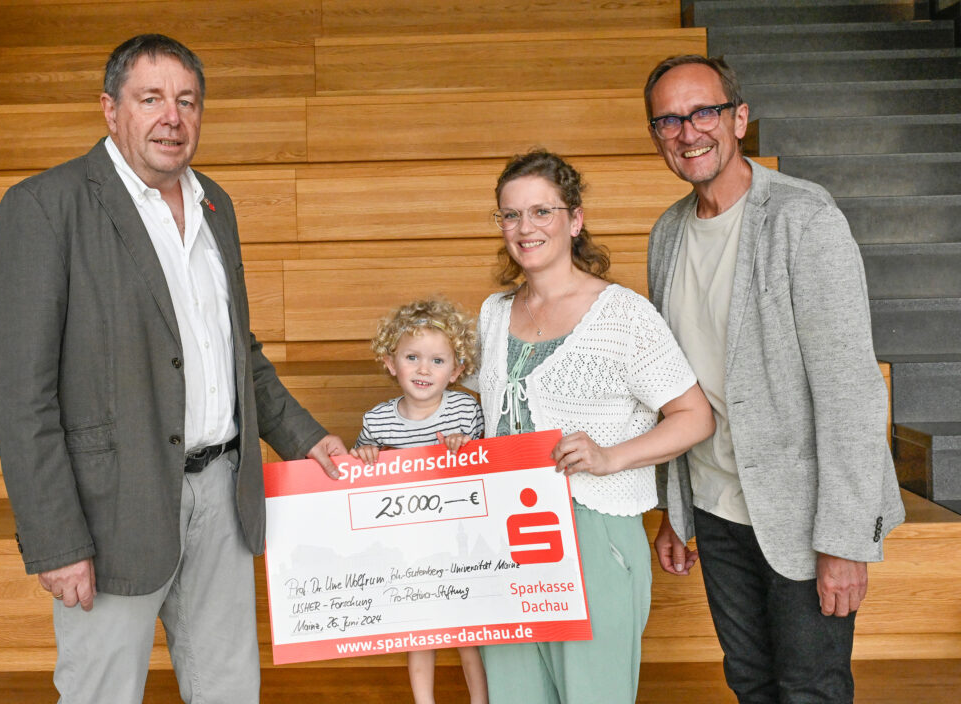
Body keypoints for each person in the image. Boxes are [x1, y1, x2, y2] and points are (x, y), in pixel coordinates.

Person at [0, 34, 346, 704]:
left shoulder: (217, 205)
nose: (171, 118)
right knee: (102, 695)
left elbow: (239, 352)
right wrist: (55, 540)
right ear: (110, 109)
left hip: (223, 497)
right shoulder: (45, 207)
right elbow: (19, 397)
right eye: (150, 99)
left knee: (229, 692)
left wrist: (306, 439)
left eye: (186, 101)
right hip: (110, 509)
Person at [643, 54, 907, 703]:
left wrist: (845, 541)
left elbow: (850, 392)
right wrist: (675, 509)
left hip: (803, 512)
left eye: (703, 112)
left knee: (810, 688)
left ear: (739, 118)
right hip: (715, 504)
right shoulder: (666, 235)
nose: (688, 132)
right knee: (751, 682)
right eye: (669, 120)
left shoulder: (804, 220)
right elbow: (672, 387)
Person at [470, 150, 715, 704]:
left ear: (574, 220)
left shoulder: (624, 315)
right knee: (513, 695)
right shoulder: (492, 312)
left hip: (594, 531)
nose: (524, 228)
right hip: (504, 534)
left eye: (541, 212)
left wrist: (611, 456)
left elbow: (695, 415)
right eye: (510, 215)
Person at [351, 298, 488, 704]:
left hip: (462, 545)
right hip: (408, 549)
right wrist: (366, 456)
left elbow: (491, 470)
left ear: (458, 370)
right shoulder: (376, 420)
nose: (424, 369)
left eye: (438, 361)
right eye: (412, 357)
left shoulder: (465, 410)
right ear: (391, 362)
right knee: (419, 633)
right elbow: (359, 476)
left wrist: (468, 446)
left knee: (469, 636)